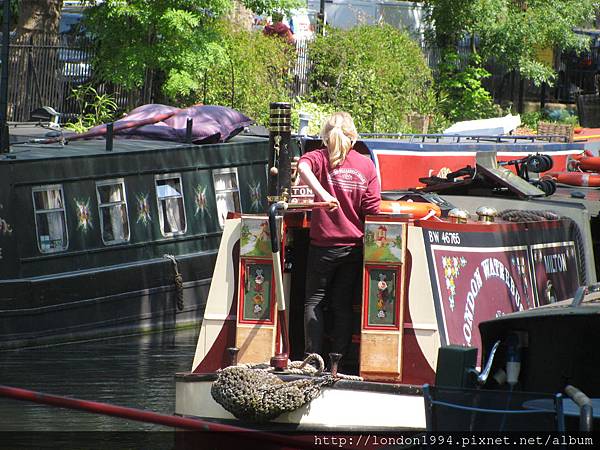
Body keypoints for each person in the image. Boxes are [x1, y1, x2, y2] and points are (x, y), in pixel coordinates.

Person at [298, 112, 381, 365]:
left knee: (314, 301)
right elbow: (373, 209)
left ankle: (312, 360)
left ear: (324, 137)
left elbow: (301, 167)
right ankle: (338, 360)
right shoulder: (366, 165)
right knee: (342, 305)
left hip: (322, 246)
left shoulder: (319, 158)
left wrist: (321, 193)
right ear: (353, 138)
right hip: (352, 247)